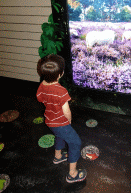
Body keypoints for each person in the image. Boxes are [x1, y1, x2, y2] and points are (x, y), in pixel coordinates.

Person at [36, 54, 87, 183]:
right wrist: (69, 120)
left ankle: (58, 156)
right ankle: (72, 173)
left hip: (49, 121)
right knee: (75, 142)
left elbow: (40, 98)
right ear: (60, 74)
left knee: (59, 135)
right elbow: (66, 111)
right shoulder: (61, 91)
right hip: (61, 122)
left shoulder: (41, 86)